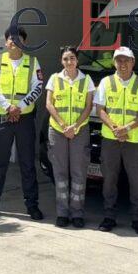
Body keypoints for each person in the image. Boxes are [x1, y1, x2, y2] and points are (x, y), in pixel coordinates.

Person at [0, 27, 44, 220]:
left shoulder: (33, 62)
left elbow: (37, 87)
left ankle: (32, 205)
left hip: (25, 120)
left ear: (25, 42)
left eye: (18, 38)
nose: (14, 41)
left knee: (27, 164)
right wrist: (8, 107)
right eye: (11, 39)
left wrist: (19, 107)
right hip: (3, 118)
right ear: (6, 42)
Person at [94, 46, 138, 235]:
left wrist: (126, 128)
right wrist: (115, 128)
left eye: (126, 60)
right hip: (111, 139)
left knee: (137, 180)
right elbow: (100, 109)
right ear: (114, 63)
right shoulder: (106, 82)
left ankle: (137, 219)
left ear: (133, 62)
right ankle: (109, 216)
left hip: (134, 140)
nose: (122, 64)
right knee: (109, 179)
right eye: (119, 60)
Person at [45, 46, 95, 228]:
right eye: (66, 58)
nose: (69, 62)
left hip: (79, 131)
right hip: (57, 130)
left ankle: (77, 213)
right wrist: (64, 125)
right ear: (61, 61)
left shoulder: (87, 80)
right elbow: (49, 104)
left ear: (77, 60)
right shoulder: (54, 79)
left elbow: (88, 107)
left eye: (72, 58)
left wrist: (75, 126)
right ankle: (62, 213)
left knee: (78, 172)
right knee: (60, 172)